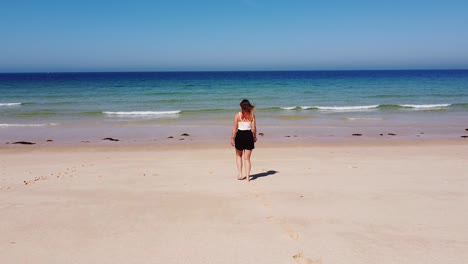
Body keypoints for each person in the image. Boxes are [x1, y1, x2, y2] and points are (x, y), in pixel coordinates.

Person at [231, 99, 257, 182]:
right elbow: (254, 128)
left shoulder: (237, 115)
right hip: (248, 136)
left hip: (240, 136)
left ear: (241, 106)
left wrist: (232, 138)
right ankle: (248, 178)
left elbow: (235, 128)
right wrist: (254, 137)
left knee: (238, 156)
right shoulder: (252, 115)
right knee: (247, 158)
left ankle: (240, 174)